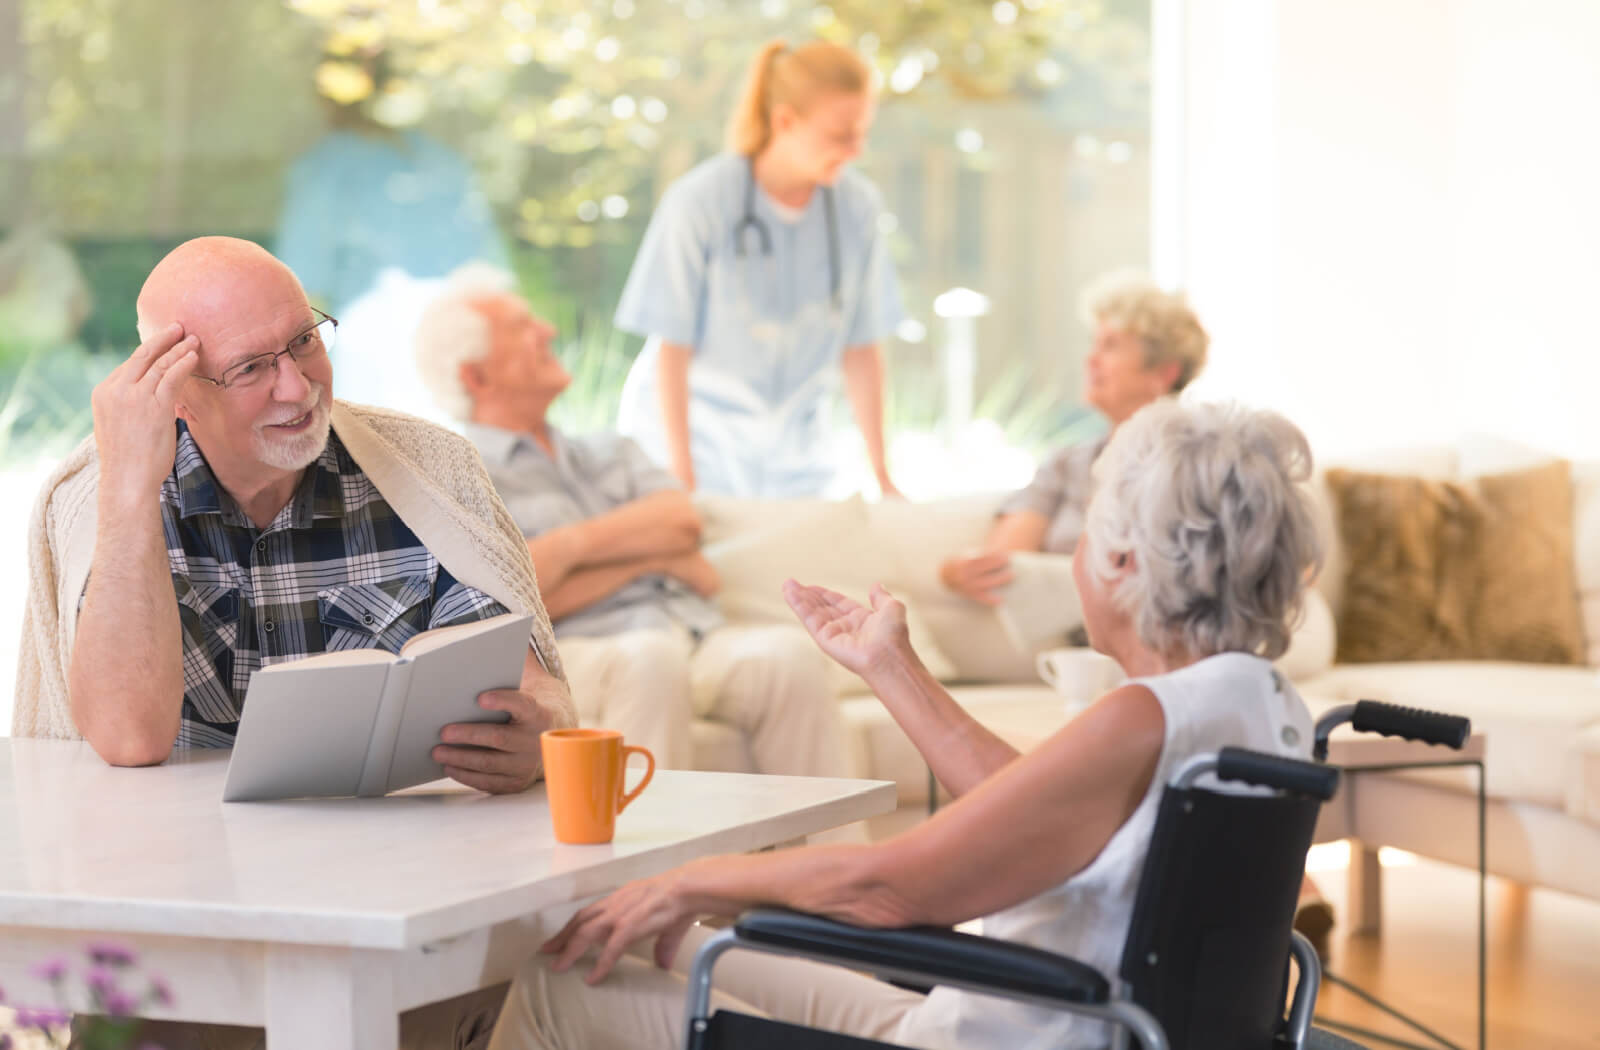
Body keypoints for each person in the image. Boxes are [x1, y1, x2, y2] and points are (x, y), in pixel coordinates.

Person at [485, 399, 1324, 1050]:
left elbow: (889, 889)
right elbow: (1030, 808)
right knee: (652, 947)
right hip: (1045, 1016)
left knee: (559, 981)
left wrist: (692, 879)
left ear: (1120, 562)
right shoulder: (1257, 705)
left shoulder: (1141, 716)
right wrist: (892, 665)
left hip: (1008, 1032)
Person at [14, 236, 577, 1050]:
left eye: (305, 341)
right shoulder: (95, 497)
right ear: (174, 391)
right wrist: (131, 484)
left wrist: (541, 730)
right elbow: (127, 737)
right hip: (179, 936)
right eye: (251, 368)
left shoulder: (426, 470)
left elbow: (538, 689)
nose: (297, 385)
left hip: (396, 919)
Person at [414, 266, 851, 778]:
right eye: (521, 327)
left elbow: (681, 522)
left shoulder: (610, 451)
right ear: (476, 375)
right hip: (581, 654)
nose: (548, 331)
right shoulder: (460, 476)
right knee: (650, 661)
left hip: (690, 632)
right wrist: (649, 557)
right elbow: (509, 607)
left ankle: (847, 859)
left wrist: (564, 554)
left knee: (788, 656)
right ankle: (653, 859)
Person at [612, 39, 905, 499]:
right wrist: (682, 476)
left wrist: (883, 476)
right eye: (840, 134)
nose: (856, 150)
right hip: (695, 443)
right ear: (785, 120)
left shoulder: (856, 207)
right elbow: (672, 348)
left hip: (798, 457)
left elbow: (862, 346)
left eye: (862, 132)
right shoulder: (702, 201)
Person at [939, 269, 1209, 606]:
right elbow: (1004, 561)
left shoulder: (1205, 461)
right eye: (1094, 344)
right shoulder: (1068, 463)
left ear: (1164, 372)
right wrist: (957, 573)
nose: (1091, 360)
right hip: (1077, 647)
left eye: (1111, 346)